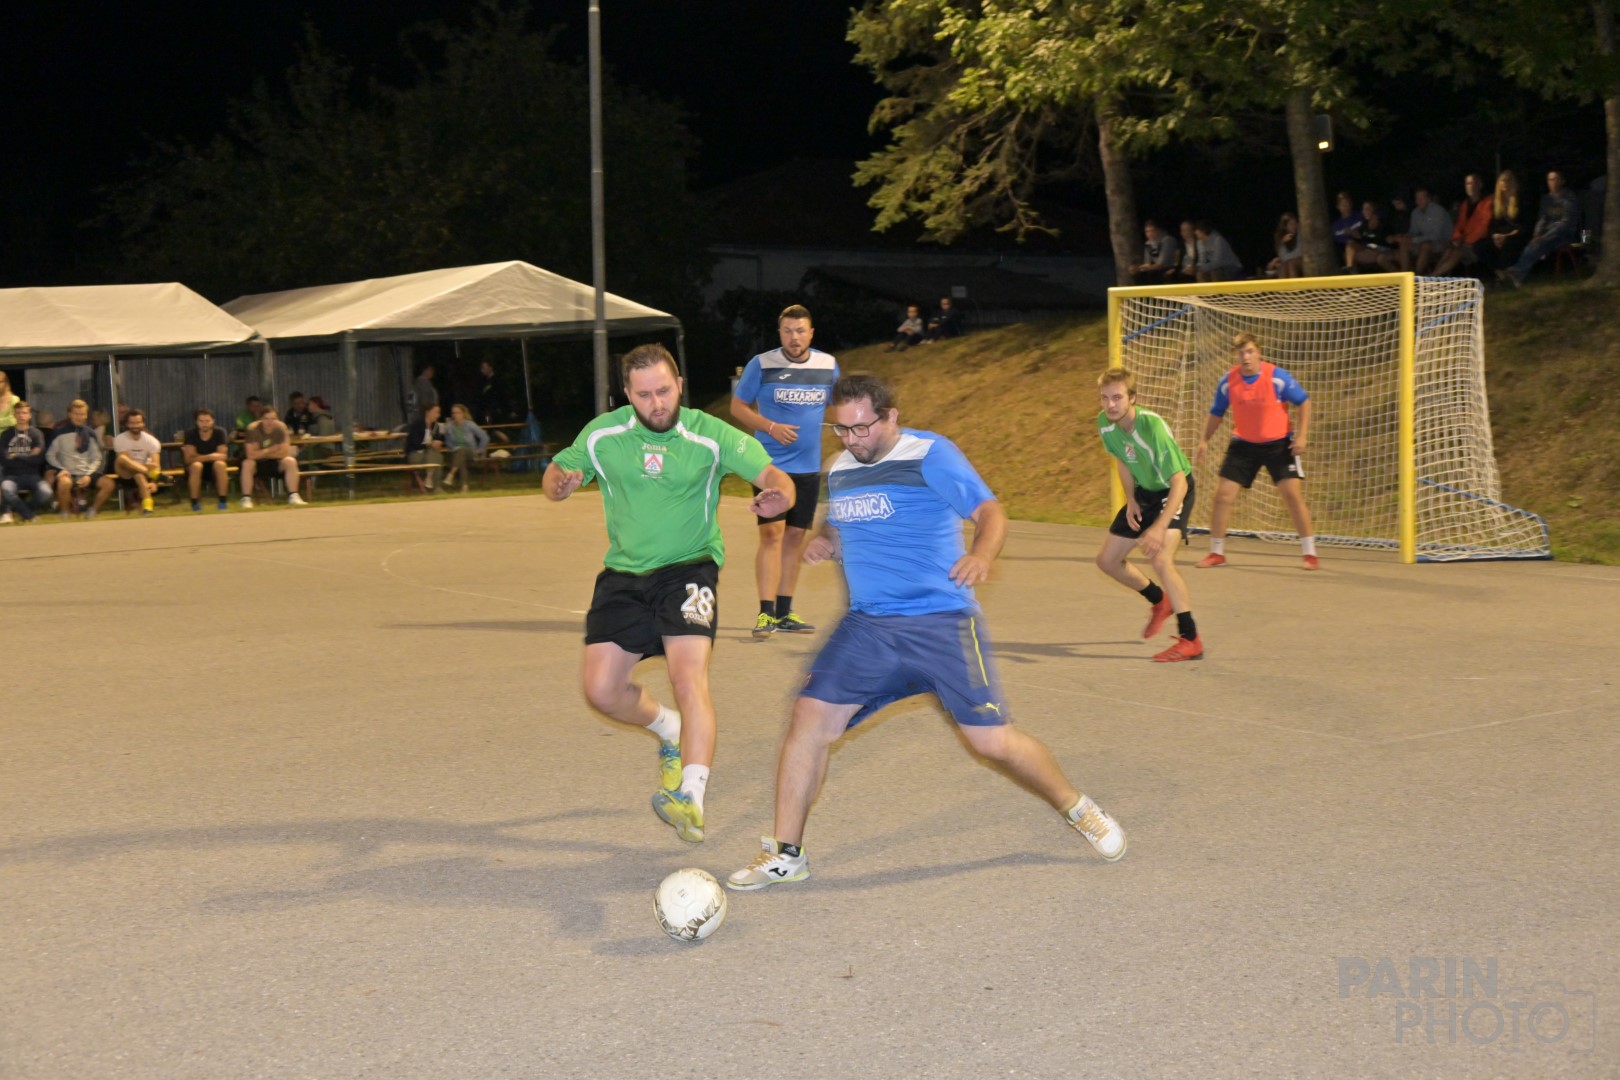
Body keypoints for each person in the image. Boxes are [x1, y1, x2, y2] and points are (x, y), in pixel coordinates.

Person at [725, 373, 1126, 892]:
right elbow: (840, 521)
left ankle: (1076, 807)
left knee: (991, 741)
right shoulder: (841, 467)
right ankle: (786, 854)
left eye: (862, 428)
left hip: (941, 621)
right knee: (808, 718)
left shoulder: (930, 453)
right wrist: (826, 540)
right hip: (869, 626)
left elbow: (989, 511)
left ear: (891, 417)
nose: (852, 439)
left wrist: (982, 553)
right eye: (841, 429)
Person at [544, 343, 794, 845]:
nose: (656, 403)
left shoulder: (709, 433)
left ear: (679, 385)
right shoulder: (603, 434)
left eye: (663, 390)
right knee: (601, 691)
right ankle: (666, 728)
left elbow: (775, 477)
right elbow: (556, 473)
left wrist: (779, 497)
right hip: (624, 574)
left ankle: (691, 796)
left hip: (689, 568)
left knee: (688, 676)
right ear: (627, 394)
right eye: (644, 395)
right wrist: (560, 484)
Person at [729, 304, 839, 637]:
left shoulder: (828, 365)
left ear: (811, 333)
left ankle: (785, 612)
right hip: (770, 466)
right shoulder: (762, 364)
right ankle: (765, 614)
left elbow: (839, 407)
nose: (794, 337)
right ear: (780, 333)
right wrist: (770, 427)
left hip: (808, 468)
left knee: (794, 538)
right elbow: (738, 407)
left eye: (800, 330)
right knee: (772, 535)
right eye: (788, 331)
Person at [1095, 368, 1204, 663]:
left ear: (1132, 398)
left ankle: (1191, 639)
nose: (1110, 405)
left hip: (1173, 489)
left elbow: (1180, 482)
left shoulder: (1151, 426)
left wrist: (1159, 526)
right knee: (1107, 561)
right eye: (1105, 398)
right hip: (1144, 492)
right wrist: (1130, 498)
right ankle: (1159, 600)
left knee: (1161, 559)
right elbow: (1122, 460)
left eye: (1117, 397)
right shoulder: (1105, 424)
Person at [1196, 332, 1319, 571]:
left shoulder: (1277, 377)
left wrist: (1302, 436)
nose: (1246, 357)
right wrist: (1204, 440)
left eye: (1250, 351)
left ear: (1258, 353)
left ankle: (1310, 553)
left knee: (1292, 496)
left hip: (1279, 444)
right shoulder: (1228, 382)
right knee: (1223, 495)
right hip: (1243, 444)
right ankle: (1216, 552)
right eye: (1241, 352)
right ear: (1235, 355)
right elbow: (1216, 413)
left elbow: (1303, 401)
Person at [1499, 170, 1582, 287]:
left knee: (1541, 243)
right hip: (1548, 235)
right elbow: (1542, 219)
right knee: (1536, 244)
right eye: (1550, 180)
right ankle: (1516, 276)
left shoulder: (1569, 198)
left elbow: (1565, 223)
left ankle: (1514, 272)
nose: (1552, 182)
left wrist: (1544, 236)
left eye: (1555, 179)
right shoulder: (1547, 199)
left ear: (1562, 181)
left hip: (1565, 233)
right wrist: (1537, 234)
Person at [46, 403, 107, 520]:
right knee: (64, 483)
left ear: (86, 415)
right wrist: (61, 469)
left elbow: (97, 457)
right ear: (69, 414)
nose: (79, 417)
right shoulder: (59, 432)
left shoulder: (91, 433)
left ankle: (92, 510)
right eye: (76, 414)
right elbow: (50, 455)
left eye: (82, 414)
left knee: (108, 484)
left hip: (86, 471)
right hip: (67, 471)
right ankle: (65, 512)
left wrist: (89, 475)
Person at [239, 406, 306, 508]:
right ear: (261, 419)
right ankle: (246, 499)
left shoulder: (281, 428)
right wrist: (271, 449)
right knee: (247, 463)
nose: (270, 422)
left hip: (275, 462)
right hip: (258, 464)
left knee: (290, 461)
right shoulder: (253, 429)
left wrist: (260, 452)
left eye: (273, 418)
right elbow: (250, 455)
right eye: (266, 418)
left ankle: (294, 496)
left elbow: (285, 452)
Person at [103, 408, 164, 516]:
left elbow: (156, 464)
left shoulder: (152, 441)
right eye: (132, 423)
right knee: (122, 458)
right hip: (124, 472)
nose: (135, 425)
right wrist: (150, 472)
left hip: (142, 473)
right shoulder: (120, 439)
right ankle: (152, 475)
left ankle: (148, 507)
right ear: (127, 424)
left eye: (138, 422)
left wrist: (153, 482)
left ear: (143, 423)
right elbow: (125, 462)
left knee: (138, 475)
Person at [1433, 173, 1494, 278]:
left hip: (1479, 244)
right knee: (1449, 249)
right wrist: (1456, 239)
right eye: (1467, 184)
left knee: (1458, 251)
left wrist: (1464, 241)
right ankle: (1432, 277)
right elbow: (1459, 226)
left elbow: (1483, 228)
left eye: (1472, 183)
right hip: (1465, 242)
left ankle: (1432, 277)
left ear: (1479, 185)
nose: (1470, 186)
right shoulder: (1465, 205)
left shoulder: (1487, 203)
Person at [0, 401, 50, 523]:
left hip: (32, 475)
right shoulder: (7, 434)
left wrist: (16, 455)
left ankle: (23, 511)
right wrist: (29, 455)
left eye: (24, 413)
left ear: (29, 415)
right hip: (11, 476)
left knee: (46, 492)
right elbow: (5, 459)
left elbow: (38, 459)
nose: (21, 416)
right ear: (14, 415)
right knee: (6, 488)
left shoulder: (36, 434)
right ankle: (29, 515)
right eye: (18, 413)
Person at [183, 408, 232, 511]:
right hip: (195, 468)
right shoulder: (190, 434)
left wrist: (198, 456)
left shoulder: (220, 432)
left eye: (207, 421)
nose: (204, 424)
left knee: (220, 464)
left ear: (213, 421)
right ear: (196, 422)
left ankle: (222, 501)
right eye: (201, 421)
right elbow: (188, 459)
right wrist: (210, 457)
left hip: (214, 467)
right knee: (196, 466)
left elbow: (222, 456)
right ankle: (195, 503)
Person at [1404, 187, 1453, 274]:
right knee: (1403, 243)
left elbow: (1436, 236)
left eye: (1421, 198)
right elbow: (1414, 231)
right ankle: (1405, 274)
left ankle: (1417, 275)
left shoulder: (1438, 211)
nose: (1419, 201)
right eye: (1417, 198)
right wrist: (1405, 237)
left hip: (1443, 243)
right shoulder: (1415, 212)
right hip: (1424, 242)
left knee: (1426, 245)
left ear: (1428, 199)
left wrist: (1415, 240)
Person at [440, 404, 488, 492]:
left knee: (462, 451)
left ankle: (451, 474)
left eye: (458, 413)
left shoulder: (470, 424)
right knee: (461, 459)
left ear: (463, 414)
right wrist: (454, 448)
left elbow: (484, 437)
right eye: (453, 413)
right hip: (456, 453)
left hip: (472, 453)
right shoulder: (449, 426)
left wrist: (480, 450)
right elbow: (448, 442)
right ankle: (464, 487)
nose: (455, 415)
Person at [1346, 201, 1400, 271]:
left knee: (1380, 258)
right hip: (1369, 248)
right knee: (1350, 245)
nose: (1364, 211)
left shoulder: (1382, 223)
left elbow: (1385, 240)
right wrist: (1355, 235)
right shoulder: (1364, 224)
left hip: (1384, 250)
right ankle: (1349, 270)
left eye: (1367, 209)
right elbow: (1361, 237)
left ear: (1374, 210)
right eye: (1363, 209)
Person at [404, 403, 446, 491]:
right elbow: (415, 444)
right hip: (415, 453)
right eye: (436, 412)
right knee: (437, 457)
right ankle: (436, 485)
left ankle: (430, 479)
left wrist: (438, 443)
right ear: (427, 412)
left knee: (435, 455)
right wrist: (429, 444)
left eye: (438, 413)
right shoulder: (417, 424)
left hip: (429, 454)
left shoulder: (436, 426)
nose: (438, 415)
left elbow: (438, 439)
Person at [473, 360, 512, 440]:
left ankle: (509, 444)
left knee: (494, 430)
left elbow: (503, 395)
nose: (482, 370)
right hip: (486, 411)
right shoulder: (483, 381)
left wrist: (508, 409)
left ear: (490, 368)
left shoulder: (497, 380)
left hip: (495, 411)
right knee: (488, 430)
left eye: (484, 368)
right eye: (481, 368)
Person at [1331, 192, 1363, 266]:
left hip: (1363, 245)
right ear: (1338, 206)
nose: (1345, 206)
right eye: (1342, 204)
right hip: (1347, 252)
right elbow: (1338, 240)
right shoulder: (1336, 225)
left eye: (1347, 203)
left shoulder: (1359, 216)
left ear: (1351, 204)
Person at [1267, 213, 1303, 278]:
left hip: (1300, 260)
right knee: (1282, 266)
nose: (1294, 226)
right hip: (1287, 263)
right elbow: (1282, 257)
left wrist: (1285, 259)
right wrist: (1283, 243)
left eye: (1295, 223)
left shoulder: (1300, 233)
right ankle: (1284, 284)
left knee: (1290, 263)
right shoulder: (1281, 237)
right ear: (1285, 227)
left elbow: (1298, 252)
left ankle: (1295, 284)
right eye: (1291, 224)